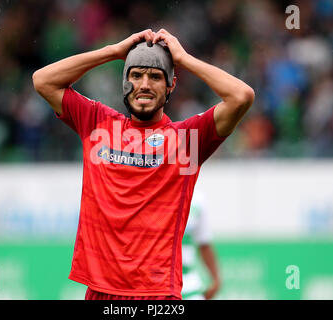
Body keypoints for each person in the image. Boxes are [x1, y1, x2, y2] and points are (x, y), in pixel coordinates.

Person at [32, 28, 254, 300]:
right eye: (135, 75)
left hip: (158, 295)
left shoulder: (188, 141)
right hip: (101, 292)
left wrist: (182, 59)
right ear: (125, 82)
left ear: (171, 84)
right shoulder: (96, 123)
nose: (144, 84)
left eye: (156, 76)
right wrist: (113, 51)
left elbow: (241, 96)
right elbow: (42, 81)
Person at [182, 190, 221, 300]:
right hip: (156, 281)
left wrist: (216, 280)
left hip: (188, 281)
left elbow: (204, 243)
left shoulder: (197, 200)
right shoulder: (150, 192)